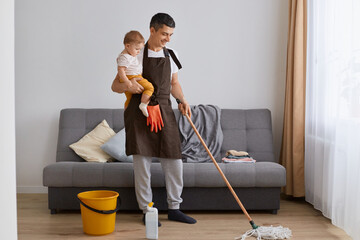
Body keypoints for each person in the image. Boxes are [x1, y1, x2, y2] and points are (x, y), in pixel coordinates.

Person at [111, 13, 196, 225]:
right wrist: (129, 86)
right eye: (164, 34)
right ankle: (147, 210)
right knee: (142, 163)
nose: (168, 38)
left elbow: (174, 82)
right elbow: (115, 86)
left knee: (174, 159)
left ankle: (174, 208)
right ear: (152, 30)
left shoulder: (172, 54)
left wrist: (182, 100)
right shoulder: (135, 54)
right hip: (139, 113)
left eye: (171, 34)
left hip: (165, 111)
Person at [117, 30, 154, 117]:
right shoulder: (125, 57)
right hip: (132, 77)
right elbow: (121, 71)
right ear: (127, 46)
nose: (138, 52)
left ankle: (126, 112)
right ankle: (143, 104)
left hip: (130, 77)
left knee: (129, 99)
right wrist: (128, 82)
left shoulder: (127, 55)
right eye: (137, 49)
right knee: (150, 87)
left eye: (140, 49)